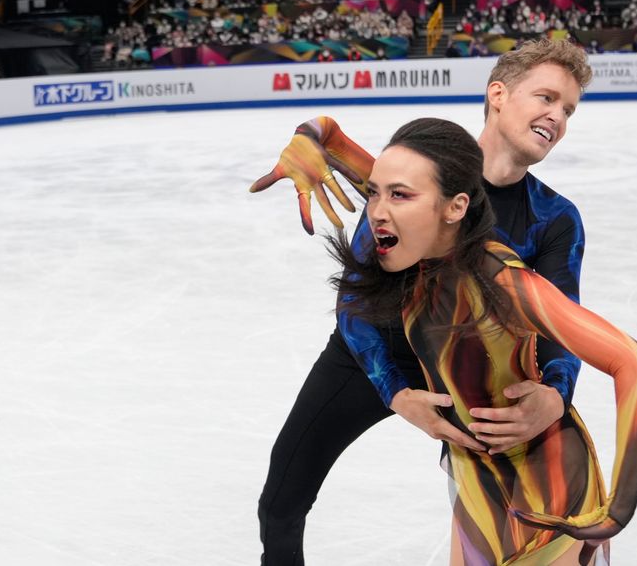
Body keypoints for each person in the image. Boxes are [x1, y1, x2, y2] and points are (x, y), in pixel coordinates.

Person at [250, 39, 593, 565]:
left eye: (567, 108)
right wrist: (396, 392)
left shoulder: (554, 218)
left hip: (469, 368)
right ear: (497, 94)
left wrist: (556, 395)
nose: (557, 116)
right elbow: (356, 295)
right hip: (373, 347)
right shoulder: (413, 172)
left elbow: (561, 329)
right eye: (546, 97)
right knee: (281, 500)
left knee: (494, 534)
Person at [326, 117, 637, 564]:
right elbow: (389, 172)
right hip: (477, 482)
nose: (376, 212)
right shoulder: (417, 248)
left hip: (547, 487)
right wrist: (318, 136)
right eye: (374, 193)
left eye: (399, 196)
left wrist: (618, 509)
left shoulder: (501, 280)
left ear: (455, 207)